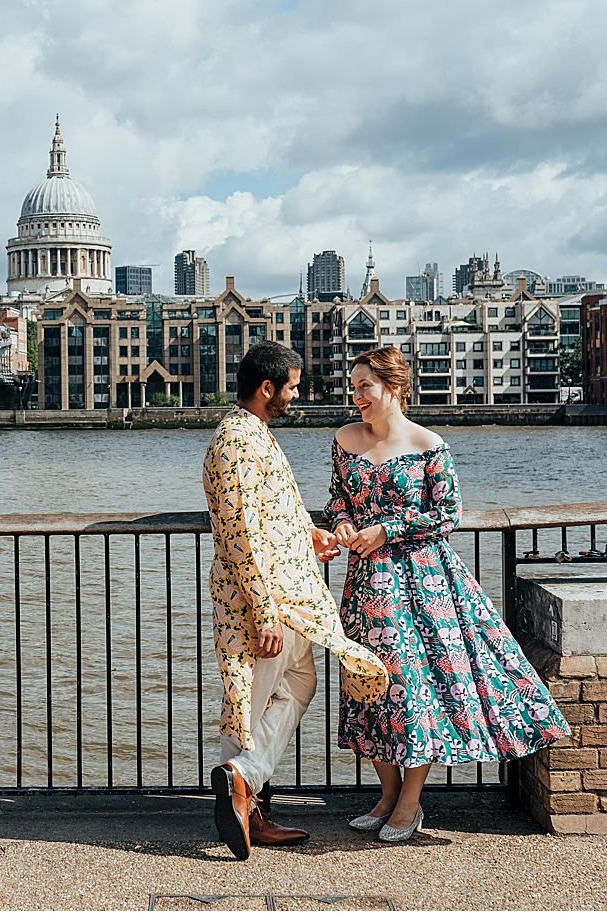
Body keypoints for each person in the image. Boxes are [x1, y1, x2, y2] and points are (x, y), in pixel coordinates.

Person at [326, 346, 570, 843]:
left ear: (393, 387)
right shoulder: (344, 440)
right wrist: (345, 521)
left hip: (421, 583)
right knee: (369, 685)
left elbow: (448, 512)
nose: (357, 397)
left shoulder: (427, 443)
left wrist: (387, 529)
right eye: (353, 387)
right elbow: (337, 498)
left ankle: (410, 804)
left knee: (415, 690)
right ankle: (387, 796)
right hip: (364, 583)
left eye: (365, 387)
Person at [202, 341, 389, 861]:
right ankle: (242, 784)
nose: (297, 395)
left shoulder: (252, 435)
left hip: (286, 596)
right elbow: (240, 533)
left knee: (285, 688)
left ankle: (244, 793)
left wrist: (311, 533)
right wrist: (263, 613)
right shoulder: (235, 443)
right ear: (267, 389)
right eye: (292, 386)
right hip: (266, 604)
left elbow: (274, 510)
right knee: (251, 703)